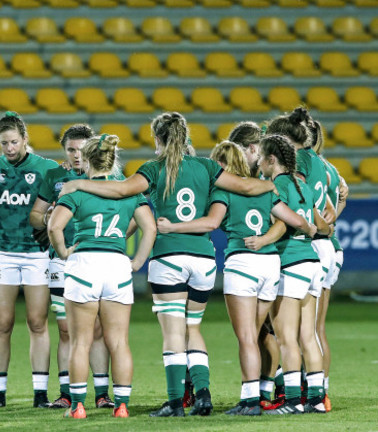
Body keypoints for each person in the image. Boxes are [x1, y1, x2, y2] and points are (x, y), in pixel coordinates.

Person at [60, 112, 277, 417]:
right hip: (203, 257)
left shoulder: (153, 168)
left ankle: (176, 401)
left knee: (174, 333)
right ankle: (203, 395)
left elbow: (122, 190)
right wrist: (275, 186)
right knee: (194, 328)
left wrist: (78, 186)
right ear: (185, 138)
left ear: (158, 139)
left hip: (168, 256)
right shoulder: (207, 166)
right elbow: (246, 187)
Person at [156, 141, 315, 416]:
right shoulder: (264, 188)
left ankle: (250, 401)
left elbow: (211, 223)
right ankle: (262, 395)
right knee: (256, 334)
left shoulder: (223, 192)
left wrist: (172, 227)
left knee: (246, 338)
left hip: (242, 263)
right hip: (270, 265)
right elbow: (293, 220)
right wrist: (312, 228)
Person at [48, 133, 156, 419]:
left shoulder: (77, 190)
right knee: (119, 341)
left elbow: (54, 227)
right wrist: (137, 262)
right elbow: (151, 228)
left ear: (85, 160)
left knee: (80, 341)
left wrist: (63, 253)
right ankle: (121, 406)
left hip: (84, 263)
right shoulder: (130, 191)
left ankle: (78, 406)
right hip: (117, 265)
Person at [0, 112, 59, 408]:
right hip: (2, 253)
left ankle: (40, 393)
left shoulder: (46, 168)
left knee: (37, 321)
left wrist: (52, 220)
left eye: (13, 141)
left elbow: (70, 188)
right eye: (4, 142)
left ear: (25, 139)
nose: (9, 148)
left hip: (36, 254)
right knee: (3, 322)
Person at [29, 124, 115, 410]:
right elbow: (35, 216)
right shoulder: (54, 176)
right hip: (62, 261)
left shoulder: (110, 176)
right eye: (71, 150)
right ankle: (66, 392)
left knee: (99, 329)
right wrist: (48, 219)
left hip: (98, 260)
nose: (77, 156)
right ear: (64, 150)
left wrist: (110, 241)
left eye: (81, 150)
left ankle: (102, 393)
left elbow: (131, 217)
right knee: (66, 330)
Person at [253, 134, 332, 415]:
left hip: (290, 264)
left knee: (286, 337)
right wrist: (315, 230)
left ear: (271, 159)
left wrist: (262, 239)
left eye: (260, 157)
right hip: (313, 262)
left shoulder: (276, 185)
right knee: (307, 336)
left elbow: (281, 224)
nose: (258, 162)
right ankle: (317, 399)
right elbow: (323, 226)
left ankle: (292, 401)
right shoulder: (303, 183)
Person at [228, 121, 284, 407]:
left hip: (262, 261)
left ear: (252, 149)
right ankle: (267, 389)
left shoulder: (265, 180)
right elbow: (286, 220)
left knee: (262, 332)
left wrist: (263, 240)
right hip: (271, 263)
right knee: (261, 332)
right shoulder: (260, 182)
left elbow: (281, 223)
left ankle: (266, 389)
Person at [311, 118, 349, 412]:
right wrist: (331, 221)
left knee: (304, 327)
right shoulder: (332, 168)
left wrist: (321, 226)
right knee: (316, 326)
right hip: (331, 248)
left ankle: (312, 391)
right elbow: (340, 200)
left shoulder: (308, 165)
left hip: (316, 245)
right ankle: (321, 389)